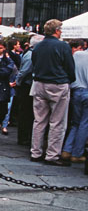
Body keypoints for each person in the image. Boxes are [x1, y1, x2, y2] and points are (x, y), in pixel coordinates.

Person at [30, 19, 75, 166]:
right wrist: (69, 80)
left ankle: (35, 152)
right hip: (58, 84)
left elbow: (34, 64)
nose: (61, 32)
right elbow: (69, 67)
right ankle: (52, 155)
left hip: (39, 83)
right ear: (56, 31)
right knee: (57, 122)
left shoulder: (38, 46)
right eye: (60, 30)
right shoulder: (63, 46)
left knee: (39, 120)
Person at [61, 40, 88, 163]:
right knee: (85, 123)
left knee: (76, 123)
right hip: (86, 91)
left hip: (75, 91)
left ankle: (67, 150)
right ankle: (77, 153)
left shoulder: (78, 55)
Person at [14, 35, 41, 146]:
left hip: (27, 85)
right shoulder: (31, 55)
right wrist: (18, 82)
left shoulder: (30, 53)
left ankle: (24, 136)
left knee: (27, 113)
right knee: (26, 113)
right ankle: (24, 137)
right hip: (27, 86)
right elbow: (24, 71)